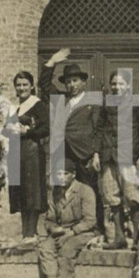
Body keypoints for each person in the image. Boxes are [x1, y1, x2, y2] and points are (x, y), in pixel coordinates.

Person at [97, 69, 139, 249]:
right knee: (112, 197)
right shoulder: (106, 104)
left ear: (128, 85)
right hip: (109, 157)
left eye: (120, 84)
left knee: (133, 197)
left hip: (130, 157)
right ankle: (118, 237)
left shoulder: (138, 104)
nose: (116, 87)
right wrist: (97, 153)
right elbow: (100, 130)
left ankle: (138, 237)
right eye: (114, 84)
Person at [39, 159, 98, 278]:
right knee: (45, 247)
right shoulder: (54, 192)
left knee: (68, 248)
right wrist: (53, 229)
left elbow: (90, 221)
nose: (61, 177)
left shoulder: (85, 191)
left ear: (73, 175)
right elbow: (49, 219)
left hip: (82, 231)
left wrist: (70, 233)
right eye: (58, 174)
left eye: (65, 173)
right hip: (61, 231)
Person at [38, 49, 103, 188]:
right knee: (62, 189)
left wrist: (96, 153)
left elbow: (98, 129)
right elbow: (44, 85)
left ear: (83, 82)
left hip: (84, 154)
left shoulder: (92, 102)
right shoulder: (61, 99)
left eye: (75, 81)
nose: (72, 85)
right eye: (68, 82)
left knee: (88, 189)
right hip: (63, 152)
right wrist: (52, 62)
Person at [6, 71, 50, 244]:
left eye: (25, 84)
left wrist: (28, 131)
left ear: (32, 86)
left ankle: (31, 233)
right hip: (17, 152)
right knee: (21, 192)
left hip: (31, 151)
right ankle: (25, 233)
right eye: (18, 85)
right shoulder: (15, 106)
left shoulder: (37, 105)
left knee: (32, 192)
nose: (22, 88)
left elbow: (47, 128)